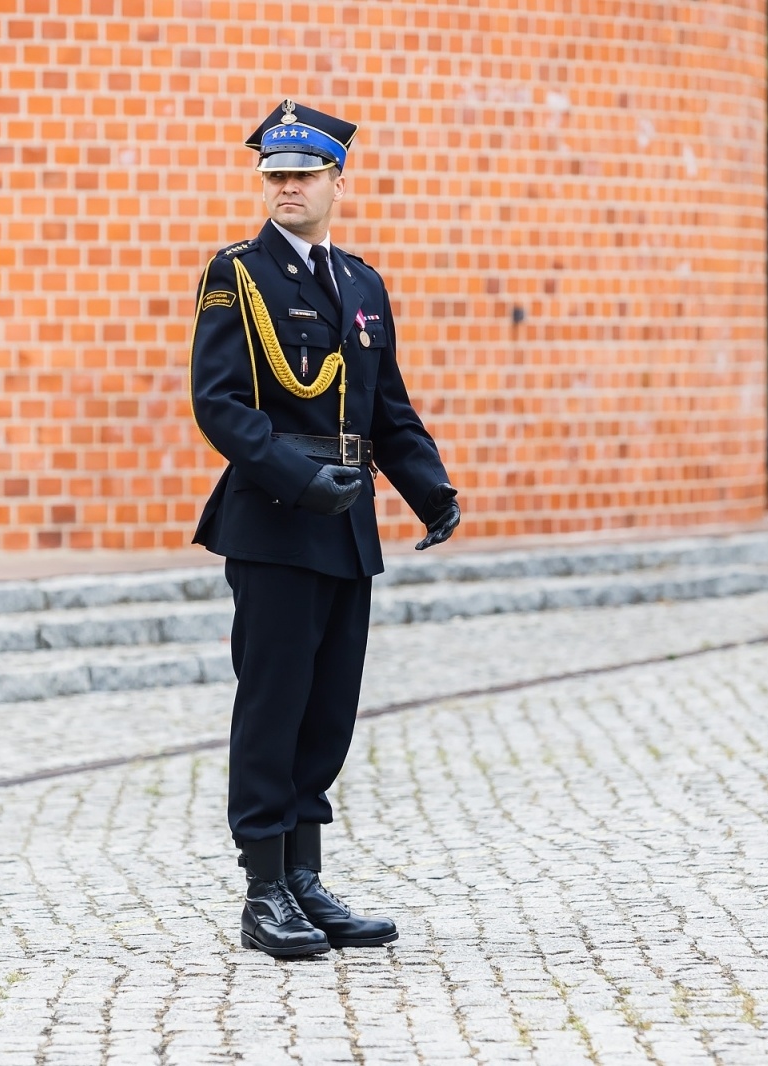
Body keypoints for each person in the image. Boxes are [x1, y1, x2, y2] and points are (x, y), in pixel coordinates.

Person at [188, 100, 461, 957]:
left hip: (348, 529)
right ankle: (263, 888)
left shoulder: (363, 284)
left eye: (303, 175)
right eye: (274, 176)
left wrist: (430, 490)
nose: (287, 188)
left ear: (338, 181)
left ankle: (306, 878)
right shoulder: (238, 275)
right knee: (272, 705)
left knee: (328, 709)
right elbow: (221, 407)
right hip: (276, 519)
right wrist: (304, 482)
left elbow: (387, 406)